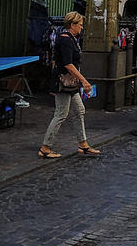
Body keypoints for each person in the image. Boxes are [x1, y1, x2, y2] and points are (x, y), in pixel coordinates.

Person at [39, 12, 99, 158]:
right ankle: (45, 148)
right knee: (61, 114)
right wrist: (83, 80)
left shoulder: (70, 38)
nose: (82, 28)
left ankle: (83, 144)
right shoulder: (66, 40)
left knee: (79, 110)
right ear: (72, 25)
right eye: (80, 25)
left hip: (70, 83)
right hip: (63, 83)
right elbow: (68, 64)